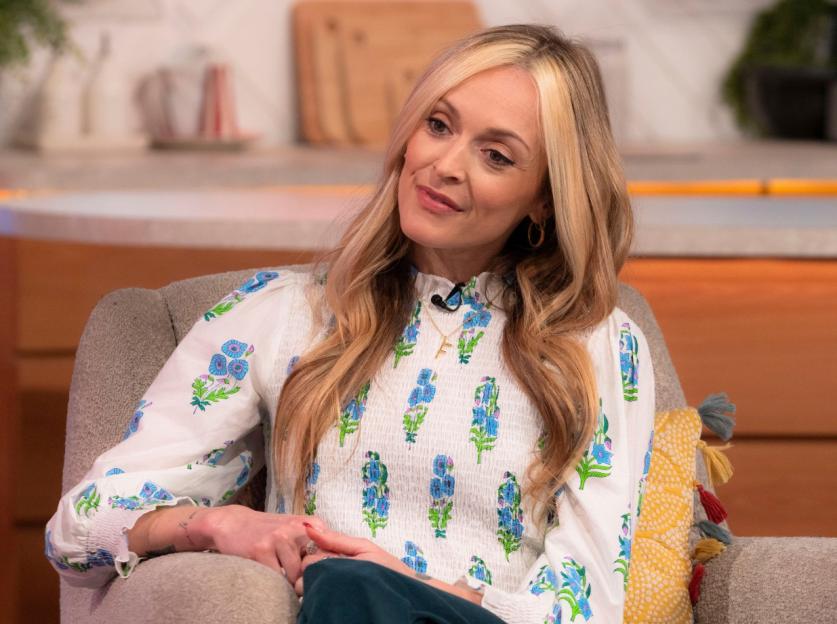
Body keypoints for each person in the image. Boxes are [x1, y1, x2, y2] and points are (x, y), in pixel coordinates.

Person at [46, 23, 655, 624]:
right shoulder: (284, 314)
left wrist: (411, 585)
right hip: (332, 607)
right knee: (346, 586)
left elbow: (588, 606)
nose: (444, 165)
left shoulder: (597, 345)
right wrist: (217, 522)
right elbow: (78, 531)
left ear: (545, 198)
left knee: (360, 587)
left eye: (495, 155)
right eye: (437, 126)